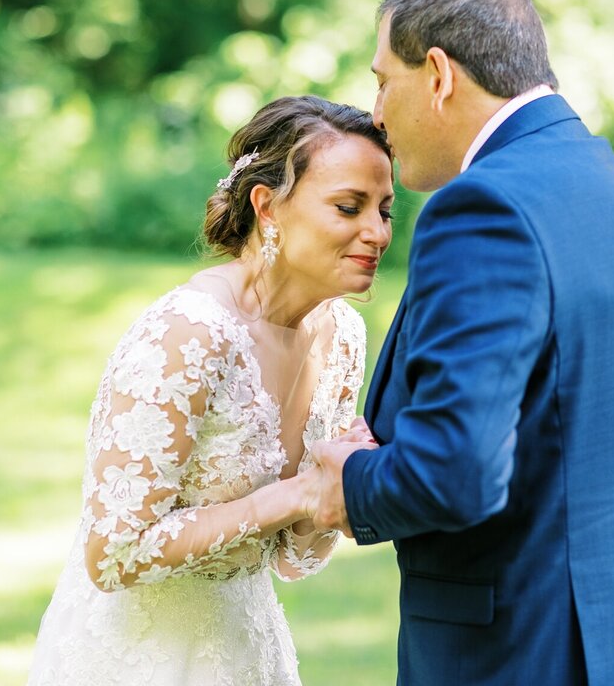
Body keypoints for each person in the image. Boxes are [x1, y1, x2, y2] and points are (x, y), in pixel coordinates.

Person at [304, 0, 614, 684]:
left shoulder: (483, 210)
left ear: (439, 75)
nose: (378, 114)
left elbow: (454, 474)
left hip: (520, 651)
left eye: (383, 81)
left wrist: (350, 482)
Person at [28, 95, 392, 686]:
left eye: (385, 210)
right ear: (267, 206)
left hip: (246, 648)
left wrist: (340, 481)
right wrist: (297, 495)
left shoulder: (342, 334)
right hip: (136, 656)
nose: (376, 233)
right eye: (349, 207)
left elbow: (294, 558)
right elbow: (114, 553)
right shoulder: (186, 334)